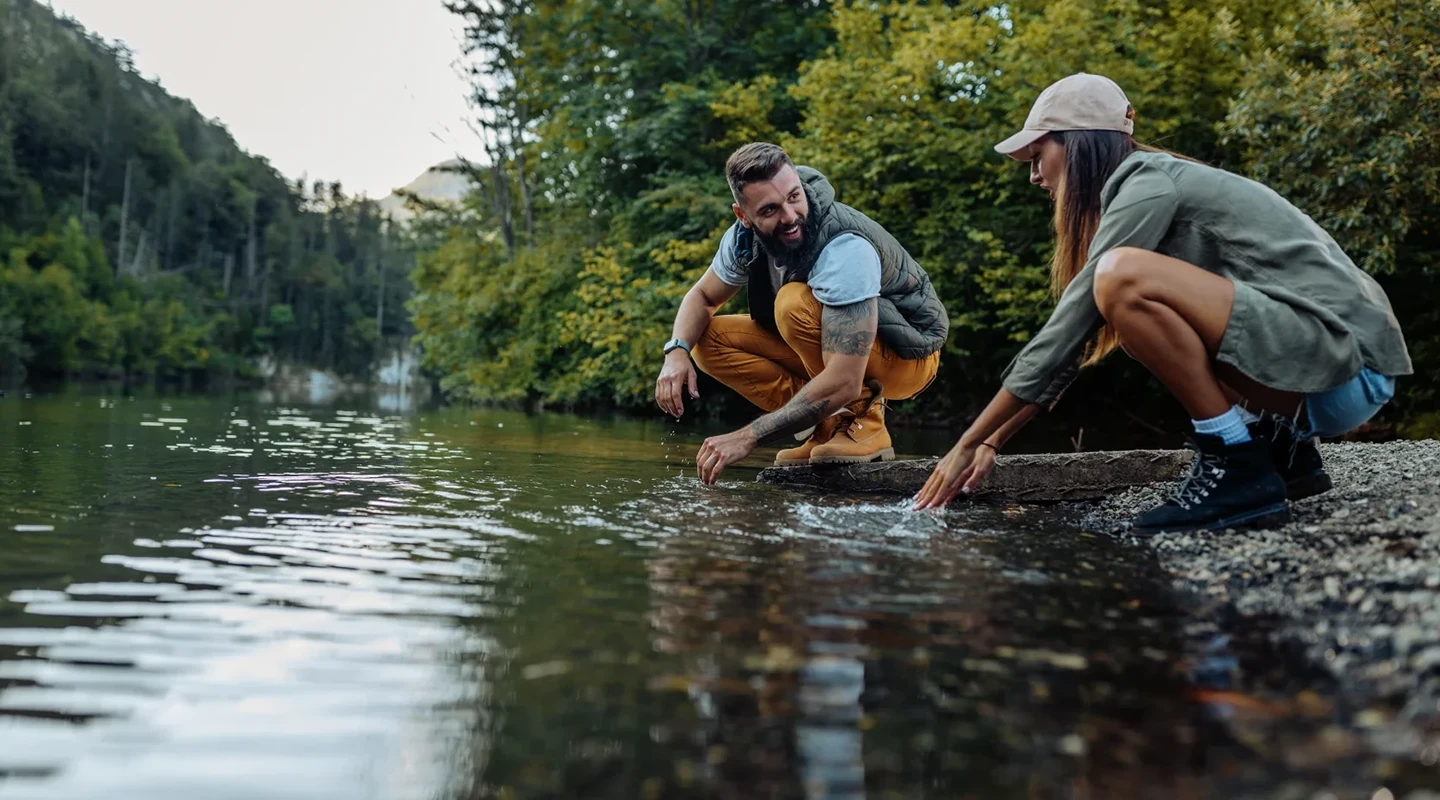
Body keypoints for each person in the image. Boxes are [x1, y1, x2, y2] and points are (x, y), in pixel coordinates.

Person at [913, 73, 1412, 534]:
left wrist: (966, 443)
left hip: (1343, 368)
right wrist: (992, 441)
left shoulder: (1147, 182)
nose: (1034, 176)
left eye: (1038, 154)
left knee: (1117, 279)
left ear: (1077, 146)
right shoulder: (1156, 183)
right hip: (1328, 367)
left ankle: (1236, 462)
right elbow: (1085, 335)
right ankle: (1283, 455)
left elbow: (1068, 328)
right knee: (1128, 320)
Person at [656, 143, 949, 485]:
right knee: (705, 340)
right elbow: (703, 297)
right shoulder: (742, 240)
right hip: (839, 354)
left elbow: (844, 379)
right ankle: (825, 424)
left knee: (793, 303)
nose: (790, 216)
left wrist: (748, 436)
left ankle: (865, 425)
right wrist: (676, 350)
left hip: (909, 356)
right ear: (743, 216)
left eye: (794, 197)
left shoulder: (844, 246)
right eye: (769, 210)